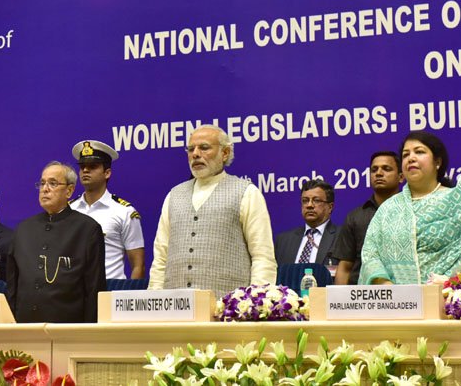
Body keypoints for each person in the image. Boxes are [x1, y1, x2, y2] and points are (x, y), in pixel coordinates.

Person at [149, 125, 277, 296]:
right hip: (175, 310)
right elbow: (160, 257)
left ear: (225, 153)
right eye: (190, 149)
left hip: (227, 312)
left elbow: (262, 256)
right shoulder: (174, 195)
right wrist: (155, 297)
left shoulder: (246, 192)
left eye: (204, 148)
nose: (195, 154)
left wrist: (257, 302)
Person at [360, 131, 461, 285]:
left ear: (437, 162)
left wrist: (445, 284)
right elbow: (370, 254)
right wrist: (388, 287)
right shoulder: (388, 208)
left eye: (419, 152)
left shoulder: (459, 201)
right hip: (394, 303)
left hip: (446, 300)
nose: (411, 158)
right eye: (405, 155)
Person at [7, 161, 106, 323]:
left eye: (53, 183)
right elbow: (12, 286)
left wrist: (89, 333)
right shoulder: (23, 229)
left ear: (69, 190)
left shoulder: (87, 229)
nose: (45, 189)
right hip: (24, 325)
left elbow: (94, 288)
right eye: (42, 183)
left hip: (68, 326)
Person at [69, 140, 145, 280]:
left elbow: (138, 265)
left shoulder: (124, 211)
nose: (85, 170)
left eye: (93, 166)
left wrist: (125, 298)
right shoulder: (68, 209)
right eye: (82, 166)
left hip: (109, 291)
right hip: (73, 294)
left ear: (107, 173)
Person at [334, 152, 402, 285]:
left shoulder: (411, 213)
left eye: (386, 169)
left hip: (403, 295)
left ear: (401, 177)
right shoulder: (355, 217)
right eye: (374, 170)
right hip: (361, 298)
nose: (379, 173)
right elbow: (345, 267)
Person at [274, 179, 338, 268]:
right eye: (305, 200)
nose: (309, 205)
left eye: (316, 200)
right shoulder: (283, 241)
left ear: (330, 207)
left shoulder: (341, 237)